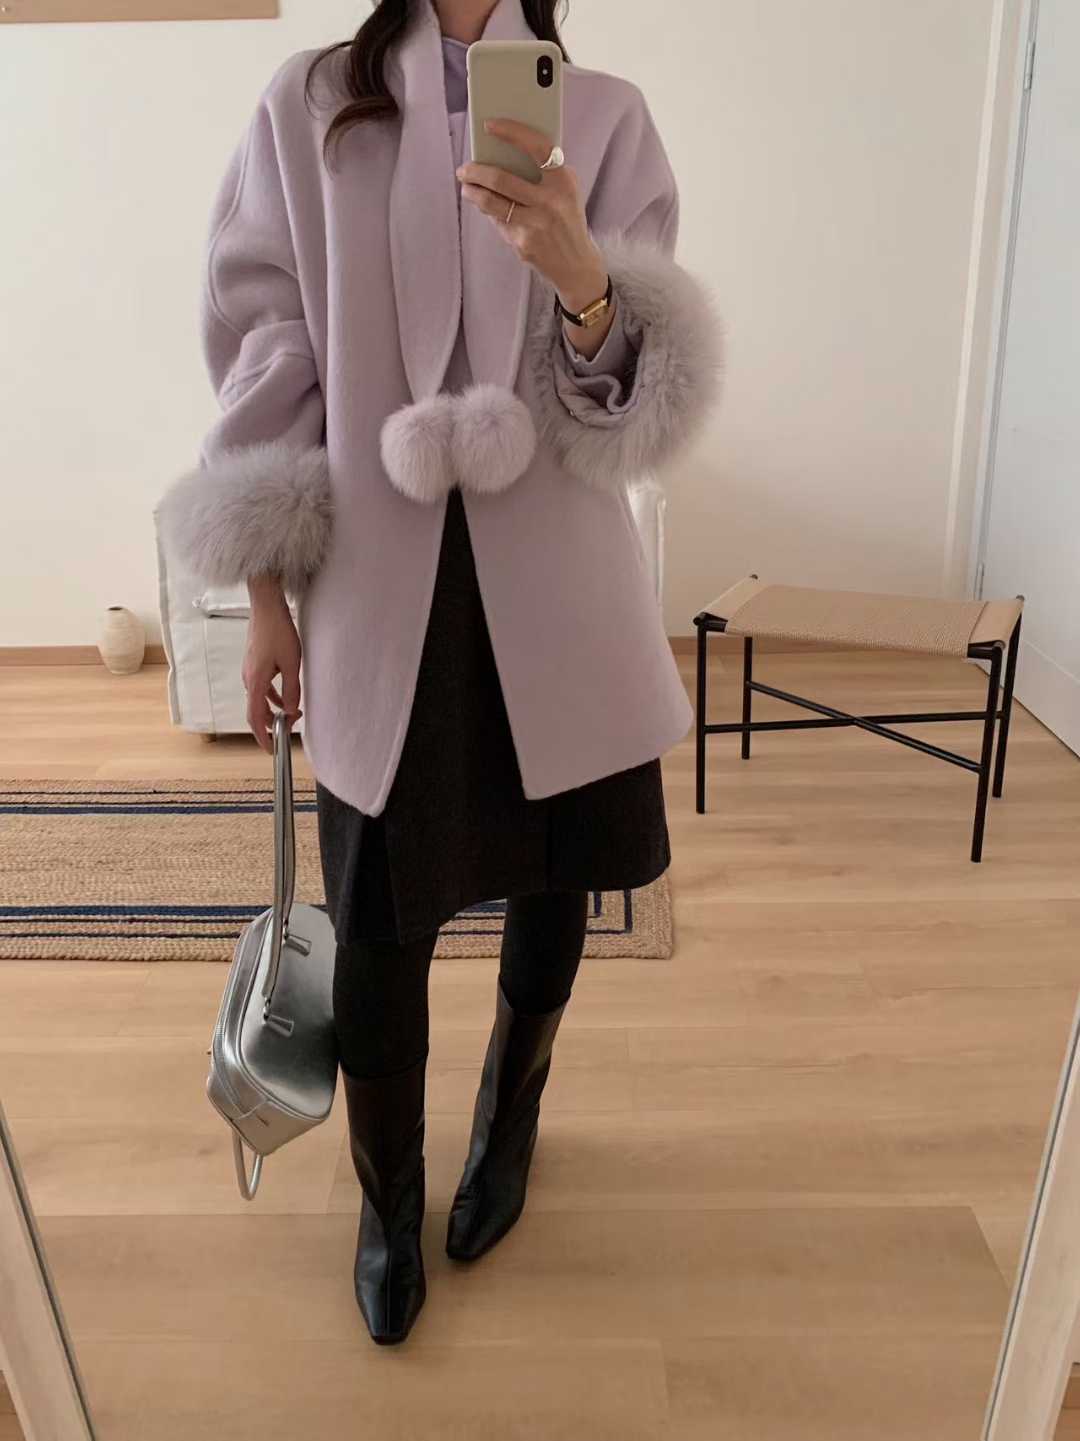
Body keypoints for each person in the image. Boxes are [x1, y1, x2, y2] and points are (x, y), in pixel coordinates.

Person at [159, 0, 721, 1347]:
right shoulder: (312, 108)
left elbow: (622, 416)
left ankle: (508, 1124)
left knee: (558, 880)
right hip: (378, 592)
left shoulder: (604, 118)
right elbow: (270, 357)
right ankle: (386, 1201)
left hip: (560, 590)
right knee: (378, 920)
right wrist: (267, 595)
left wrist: (584, 280)